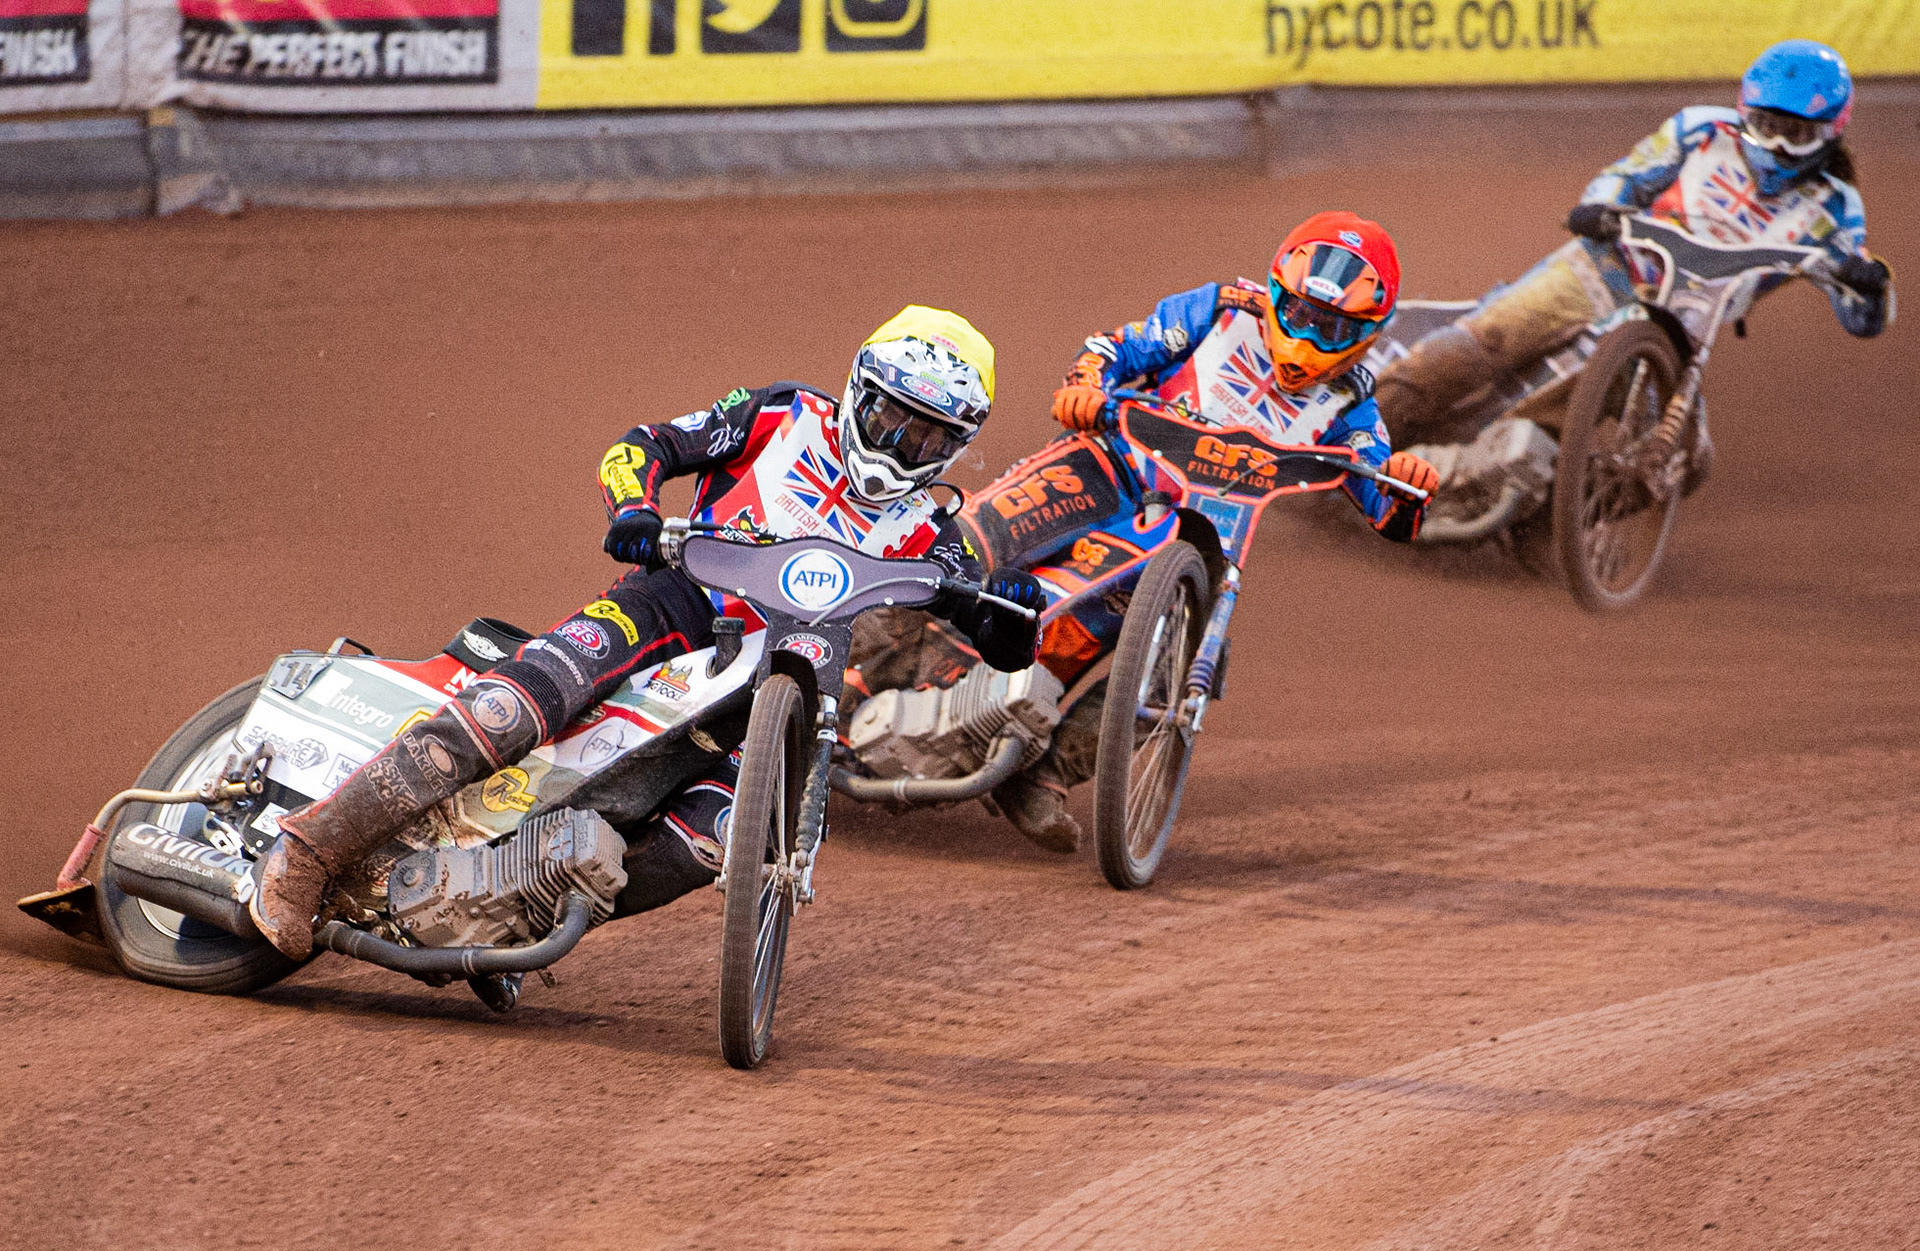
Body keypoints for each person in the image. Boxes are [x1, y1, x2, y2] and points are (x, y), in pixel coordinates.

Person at [249, 306, 1045, 962]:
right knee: (509, 711)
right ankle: (306, 852)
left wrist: (1014, 606)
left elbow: (1000, 636)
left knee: (710, 843)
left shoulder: (932, 530)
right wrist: (632, 510)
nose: (902, 445)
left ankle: (510, 918)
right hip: (673, 604)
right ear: (858, 390)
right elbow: (646, 445)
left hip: (789, 682)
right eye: (890, 417)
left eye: (928, 438)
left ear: (957, 446)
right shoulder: (783, 414)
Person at [855, 213, 1436, 855]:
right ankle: (839, 660)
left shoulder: (1353, 407)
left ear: (1367, 334)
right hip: (1107, 466)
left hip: (1195, 537)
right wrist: (1086, 385)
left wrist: (1407, 482)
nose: (1308, 336)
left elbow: (1389, 507)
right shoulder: (1220, 311)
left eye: (1333, 328)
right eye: (1299, 314)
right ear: (1276, 291)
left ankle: (1041, 772)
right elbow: (1118, 347)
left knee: (1173, 661)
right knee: (960, 547)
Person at [1375, 39, 1894, 473]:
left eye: (1796, 134)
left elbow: (1861, 318)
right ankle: (1366, 426)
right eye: (1765, 125)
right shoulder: (1701, 130)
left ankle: (1519, 486)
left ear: (1831, 132)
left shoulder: (1836, 208)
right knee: (1491, 335)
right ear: (1744, 112)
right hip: (1605, 267)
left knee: (1680, 461)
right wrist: (1600, 206)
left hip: (1680, 332)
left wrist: (1869, 284)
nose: (1777, 146)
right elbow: (1628, 175)